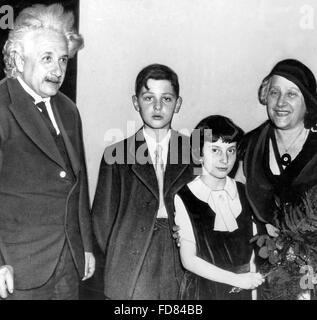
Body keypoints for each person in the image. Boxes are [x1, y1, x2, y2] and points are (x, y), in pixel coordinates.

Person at [0, 3, 95, 300]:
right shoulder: (2, 106)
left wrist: (86, 245)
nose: (57, 70)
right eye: (47, 59)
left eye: (63, 60)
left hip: (68, 264)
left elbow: (78, 183)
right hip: (18, 269)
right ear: (18, 58)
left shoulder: (68, 110)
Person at [92, 64, 194, 299]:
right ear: (136, 102)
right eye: (148, 98)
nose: (157, 107)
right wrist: (122, 250)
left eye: (166, 99)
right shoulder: (116, 154)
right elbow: (102, 220)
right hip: (132, 255)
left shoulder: (194, 151)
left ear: (178, 104)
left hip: (179, 254)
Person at [174, 115, 264, 300]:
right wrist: (236, 280)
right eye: (215, 150)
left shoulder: (243, 192)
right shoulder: (186, 196)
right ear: (198, 153)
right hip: (205, 292)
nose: (225, 159)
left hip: (244, 291)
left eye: (231, 151)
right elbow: (188, 260)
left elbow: (254, 252)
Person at [236, 59, 317, 237]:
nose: (280, 102)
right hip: (258, 253)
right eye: (274, 92)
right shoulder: (250, 144)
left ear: (308, 101)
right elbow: (233, 199)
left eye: (291, 94)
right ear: (266, 96)